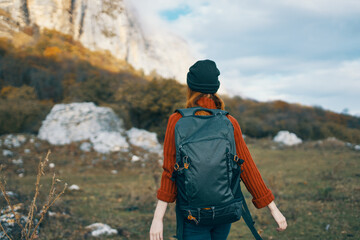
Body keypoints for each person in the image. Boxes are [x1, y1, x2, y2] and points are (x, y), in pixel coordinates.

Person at [150, 59, 287, 240]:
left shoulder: (177, 121)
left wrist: (158, 218)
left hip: (192, 214)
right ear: (215, 88)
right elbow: (247, 168)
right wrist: (273, 209)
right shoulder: (229, 122)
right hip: (225, 211)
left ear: (190, 87)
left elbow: (170, 171)